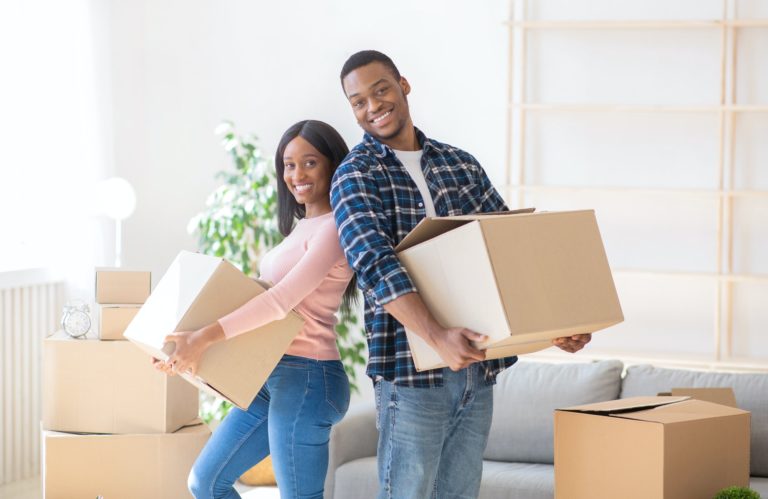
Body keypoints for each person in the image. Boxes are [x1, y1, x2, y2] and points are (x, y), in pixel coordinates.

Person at [330, 50, 592, 499]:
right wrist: (436, 336)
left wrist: (556, 325)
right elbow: (375, 264)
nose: (372, 106)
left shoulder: (459, 164)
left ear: (403, 85)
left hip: (476, 370)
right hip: (410, 377)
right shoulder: (354, 175)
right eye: (358, 102)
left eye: (381, 90)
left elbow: (508, 248)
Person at [155, 120, 355, 499]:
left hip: (309, 378)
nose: (297, 174)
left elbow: (280, 303)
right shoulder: (303, 227)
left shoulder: (335, 228)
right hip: (271, 374)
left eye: (309, 163)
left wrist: (202, 338)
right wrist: (185, 338)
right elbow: (263, 293)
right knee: (207, 482)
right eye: (289, 164)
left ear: (333, 164)